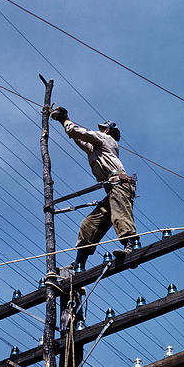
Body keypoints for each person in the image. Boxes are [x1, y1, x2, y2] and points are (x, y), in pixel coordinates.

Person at [50, 106, 138, 270]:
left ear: (107, 131)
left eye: (102, 128)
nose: (100, 130)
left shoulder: (106, 140)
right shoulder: (98, 147)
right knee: (89, 224)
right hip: (112, 188)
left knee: (119, 213)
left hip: (120, 185)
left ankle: (131, 247)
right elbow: (80, 140)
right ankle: (79, 263)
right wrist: (65, 124)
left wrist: (64, 119)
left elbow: (81, 133)